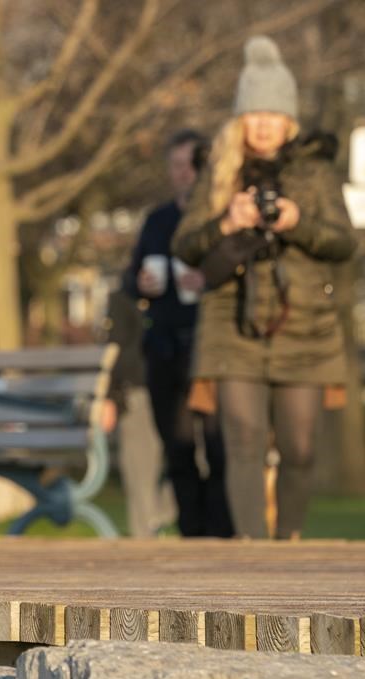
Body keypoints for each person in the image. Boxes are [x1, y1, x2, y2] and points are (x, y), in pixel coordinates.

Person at [172, 36, 355, 539]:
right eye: (255, 113)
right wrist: (226, 223)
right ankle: (253, 550)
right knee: (244, 442)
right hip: (232, 325)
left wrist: (297, 221)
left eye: (274, 113)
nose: (265, 123)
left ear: (289, 117)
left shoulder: (314, 170)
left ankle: (289, 540)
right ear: (241, 118)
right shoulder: (218, 172)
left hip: (306, 327)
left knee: (300, 448)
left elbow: (345, 243)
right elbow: (185, 245)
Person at [125, 129, 234, 538]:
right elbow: (131, 278)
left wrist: (207, 281)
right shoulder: (157, 221)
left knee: (218, 449)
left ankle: (220, 535)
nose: (185, 174)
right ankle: (191, 535)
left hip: (209, 349)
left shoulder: (220, 218)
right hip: (165, 349)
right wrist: (141, 284)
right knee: (178, 451)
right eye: (177, 165)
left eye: (193, 165)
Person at [100, 289, 177, 538]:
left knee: (194, 463)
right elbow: (114, 348)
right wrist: (110, 396)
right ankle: (144, 537)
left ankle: (158, 514)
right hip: (136, 388)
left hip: (178, 385)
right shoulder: (124, 294)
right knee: (139, 472)